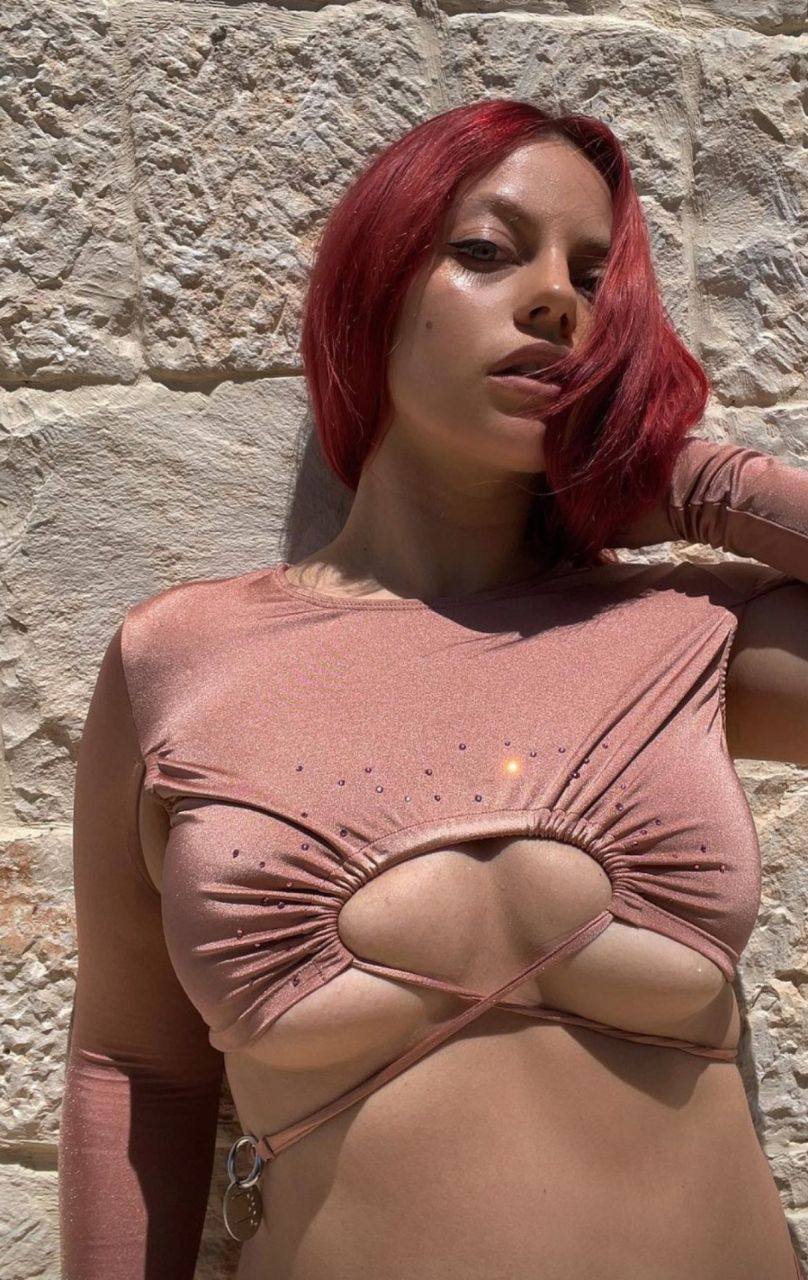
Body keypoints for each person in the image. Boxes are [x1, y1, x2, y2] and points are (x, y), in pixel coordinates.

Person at [58, 98, 808, 1279]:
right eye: (487, 249)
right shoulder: (180, 659)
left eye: (593, 279)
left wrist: (695, 479)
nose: (556, 300)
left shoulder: (688, 632)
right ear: (374, 286)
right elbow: (136, 1069)